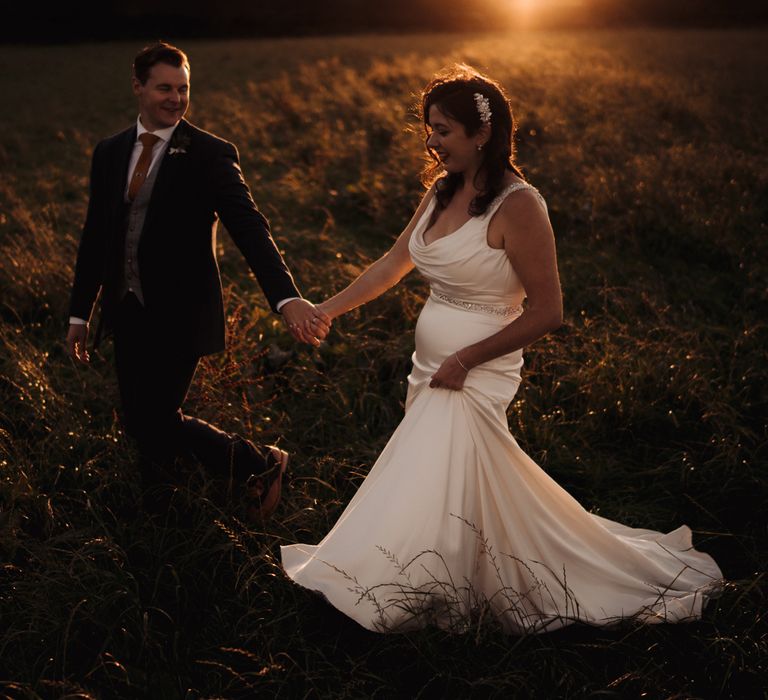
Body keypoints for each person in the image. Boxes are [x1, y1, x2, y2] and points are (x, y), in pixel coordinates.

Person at [281, 64, 723, 634]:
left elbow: (548, 311)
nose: (431, 141)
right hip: (430, 368)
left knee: (436, 466)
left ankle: (410, 582)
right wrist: (326, 310)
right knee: (447, 476)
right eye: (429, 128)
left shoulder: (520, 205)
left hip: (476, 368)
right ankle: (442, 573)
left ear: (481, 133)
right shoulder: (441, 193)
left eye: (442, 130)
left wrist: (466, 359)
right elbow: (394, 264)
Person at [66, 42, 330, 519]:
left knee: (157, 418)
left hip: (181, 311)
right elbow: (96, 236)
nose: (176, 98)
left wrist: (286, 297)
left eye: (183, 88)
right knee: (140, 423)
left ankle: (260, 463)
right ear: (138, 87)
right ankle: (160, 511)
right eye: (165, 87)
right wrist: (80, 312)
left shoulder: (210, 154)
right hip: (125, 308)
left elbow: (251, 229)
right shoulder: (108, 153)